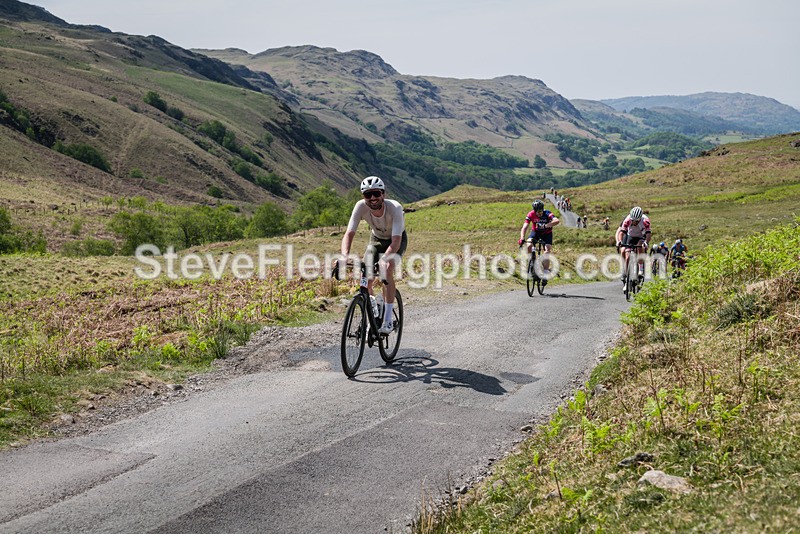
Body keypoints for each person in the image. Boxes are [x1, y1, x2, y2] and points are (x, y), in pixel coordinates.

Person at [338, 176, 407, 335]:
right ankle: (374, 312)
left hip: (396, 239)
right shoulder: (360, 206)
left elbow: (396, 241)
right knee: (366, 277)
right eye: (368, 194)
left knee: (387, 269)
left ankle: (388, 321)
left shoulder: (395, 208)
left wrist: (384, 259)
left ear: (383, 194)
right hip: (376, 239)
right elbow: (349, 233)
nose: (373, 198)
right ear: (364, 196)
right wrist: (344, 256)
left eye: (376, 193)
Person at [518, 199, 560, 278]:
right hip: (536, 233)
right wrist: (522, 238)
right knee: (529, 245)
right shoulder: (531, 214)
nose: (539, 213)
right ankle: (532, 263)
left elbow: (557, 221)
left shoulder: (547, 213)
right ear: (534, 210)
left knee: (547, 251)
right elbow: (524, 227)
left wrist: (546, 226)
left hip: (547, 234)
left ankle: (546, 272)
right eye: (537, 212)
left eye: (541, 211)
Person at [615, 206, 651, 289]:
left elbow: (648, 234)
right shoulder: (627, 219)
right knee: (627, 255)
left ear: (640, 219)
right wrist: (619, 241)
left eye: (636, 221)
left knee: (640, 247)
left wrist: (646, 242)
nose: (634, 222)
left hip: (641, 236)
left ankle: (640, 268)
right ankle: (626, 274)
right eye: (633, 220)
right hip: (631, 236)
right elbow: (622, 232)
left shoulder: (645, 220)